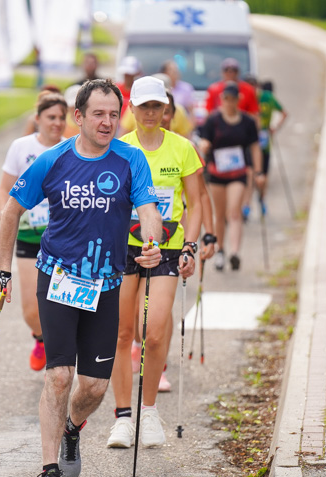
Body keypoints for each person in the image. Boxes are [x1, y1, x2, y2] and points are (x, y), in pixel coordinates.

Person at [0, 79, 163, 477]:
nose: (108, 122)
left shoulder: (130, 159)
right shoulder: (52, 160)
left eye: (115, 114)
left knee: (94, 387)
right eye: (98, 114)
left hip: (106, 283)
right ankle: (48, 471)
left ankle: (72, 430)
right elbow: (11, 210)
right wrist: (3, 271)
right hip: (58, 278)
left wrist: (151, 243)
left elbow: (149, 211)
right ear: (77, 117)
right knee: (59, 375)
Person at [108, 76, 215, 448]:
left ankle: (149, 411)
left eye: (157, 107)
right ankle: (123, 417)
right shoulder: (119, 149)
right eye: (144, 107)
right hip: (124, 248)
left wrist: (190, 246)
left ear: (166, 110)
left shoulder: (183, 148)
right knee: (123, 334)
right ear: (132, 109)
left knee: (152, 333)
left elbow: (197, 201)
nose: (151, 113)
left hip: (167, 249)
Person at [0, 90, 68, 371]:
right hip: (28, 235)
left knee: (60, 303)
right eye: (51, 117)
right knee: (30, 310)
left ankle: (60, 350)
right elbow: (4, 190)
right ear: (37, 119)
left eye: (62, 118)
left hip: (62, 239)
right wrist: (5, 215)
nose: (57, 123)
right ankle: (40, 338)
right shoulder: (21, 147)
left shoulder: (72, 148)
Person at [198, 82, 263, 272]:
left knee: (234, 212)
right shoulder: (213, 120)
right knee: (220, 215)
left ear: (238, 100)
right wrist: (204, 145)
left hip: (238, 173)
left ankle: (235, 252)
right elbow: (204, 139)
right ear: (222, 99)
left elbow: (254, 147)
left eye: (233, 99)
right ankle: (221, 251)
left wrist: (258, 172)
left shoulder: (247, 122)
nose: (229, 102)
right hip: (217, 173)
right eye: (226, 99)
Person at [255, 79, 288, 214]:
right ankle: (261, 200)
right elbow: (284, 114)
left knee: (260, 171)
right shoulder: (268, 97)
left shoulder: (261, 97)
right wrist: (274, 128)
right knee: (260, 171)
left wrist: (274, 128)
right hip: (261, 136)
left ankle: (260, 200)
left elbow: (284, 113)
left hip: (259, 138)